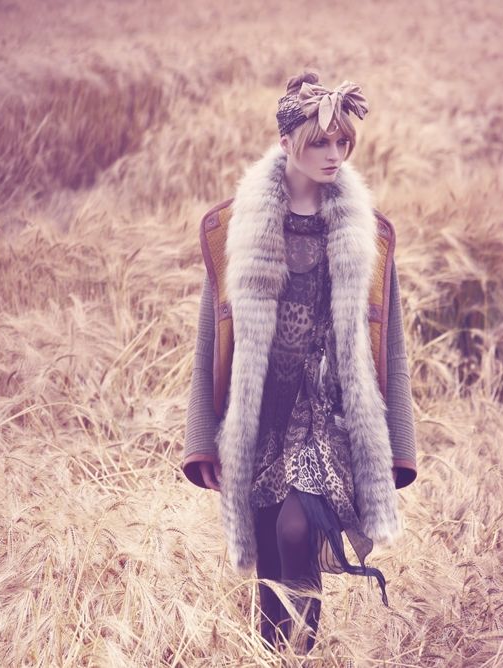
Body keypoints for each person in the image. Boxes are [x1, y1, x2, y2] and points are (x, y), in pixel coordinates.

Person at [182, 70, 419, 656]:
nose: (334, 155)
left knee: (296, 529)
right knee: (268, 551)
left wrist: (397, 446)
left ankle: (301, 656)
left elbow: (390, 346)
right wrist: (202, 439)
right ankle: (272, 653)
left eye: (342, 142)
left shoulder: (367, 234)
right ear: (286, 142)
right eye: (320, 143)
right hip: (262, 407)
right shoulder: (234, 227)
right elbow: (212, 338)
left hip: (327, 412)